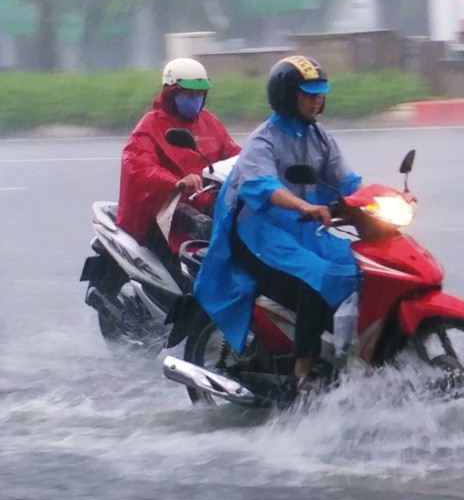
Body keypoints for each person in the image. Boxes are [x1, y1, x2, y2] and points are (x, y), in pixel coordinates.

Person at [193, 55, 362, 400]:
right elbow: (263, 187)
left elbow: (347, 181)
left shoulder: (320, 138)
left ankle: (352, 352)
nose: (318, 100)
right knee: (316, 280)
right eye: (309, 93)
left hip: (302, 230)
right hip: (257, 234)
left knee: (362, 266)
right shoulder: (263, 141)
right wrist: (305, 206)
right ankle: (303, 374)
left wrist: (377, 202)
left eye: (320, 93)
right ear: (287, 96)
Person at [116, 57, 241, 257]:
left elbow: (235, 155)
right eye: (189, 94)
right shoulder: (150, 125)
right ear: (171, 93)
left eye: (200, 94)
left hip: (210, 199)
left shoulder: (210, 123)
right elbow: (139, 165)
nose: (196, 99)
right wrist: (177, 182)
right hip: (168, 206)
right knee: (201, 228)